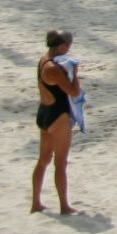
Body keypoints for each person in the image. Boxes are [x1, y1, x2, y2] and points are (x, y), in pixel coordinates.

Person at [31, 28, 81, 214]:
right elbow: (74, 92)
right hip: (58, 116)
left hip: (44, 112)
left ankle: (36, 202)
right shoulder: (54, 68)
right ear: (62, 45)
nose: (69, 48)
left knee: (43, 160)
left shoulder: (44, 60)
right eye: (68, 45)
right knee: (60, 163)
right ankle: (64, 206)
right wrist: (75, 73)